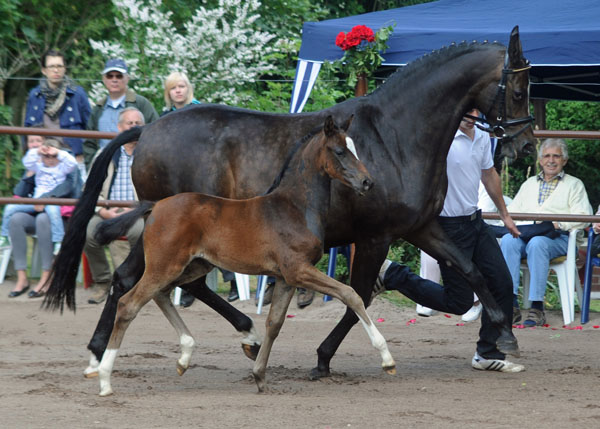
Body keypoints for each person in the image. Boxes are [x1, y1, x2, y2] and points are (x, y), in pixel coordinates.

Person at [378, 109, 525, 372]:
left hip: (475, 223)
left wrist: (505, 215)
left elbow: (488, 174)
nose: (472, 115)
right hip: (447, 227)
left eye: (475, 110)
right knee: (459, 302)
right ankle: (394, 276)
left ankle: (486, 353)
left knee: (502, 283)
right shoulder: (440, 137)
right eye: (466, 110)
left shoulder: (481, 135)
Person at [500, 138, 592, 327]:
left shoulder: (575, 185)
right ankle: (510, 303)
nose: (551, 160)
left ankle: (537, 306)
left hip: (559, 238)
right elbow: (514, 212)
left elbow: (584, 216)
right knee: (509, 241)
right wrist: (520, 226)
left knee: (538, 243)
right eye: (547, 156)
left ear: (564, 161)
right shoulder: (529, 184)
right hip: (528, 234)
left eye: (556, 156)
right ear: (540, 160)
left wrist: (558, 224)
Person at [84, 107, 145, 304]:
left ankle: (135, 285)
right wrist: (101, 210)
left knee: (140, 233)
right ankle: (103, 283)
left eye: (138, 124)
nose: (134, 127)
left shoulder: (150, 153)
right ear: (120, 128)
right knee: (87, 232)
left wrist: (135, 209)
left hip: (137, 212)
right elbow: (89, 188)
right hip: (106, 209)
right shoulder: (105, 153)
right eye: (130, 123)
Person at [6, 138, 79, 298]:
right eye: (32, 141)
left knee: (43, 220)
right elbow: (20, 190)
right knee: (16, 219)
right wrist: (32, 168)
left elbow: (70, 183)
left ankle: (47, 277)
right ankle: (22, 277)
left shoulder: (64, 165)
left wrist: (46, 198)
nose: (49, 159)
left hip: (58, 216)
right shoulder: (37, 164)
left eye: (52, 155)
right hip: (35, 209)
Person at [24, 49, 90, 179]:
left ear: (65, 68)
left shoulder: (78, 94)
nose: (56, 70)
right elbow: (27, 131)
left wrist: (84, 156)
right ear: (44, 70)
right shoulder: (35, 95)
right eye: (52, 66)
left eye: (59, 66)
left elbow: (90, 127)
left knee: (76, 198)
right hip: (43, 160)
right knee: (40, 198)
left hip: (72, 158)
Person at [83, 58, 158, 167]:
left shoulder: (141, 104)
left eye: (119, 76)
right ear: (104, 79)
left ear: (127, 79)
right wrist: (93, 165)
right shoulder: (98, 109)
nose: (114, 80)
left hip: (135, 164)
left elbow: (155, 133)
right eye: (110, 76)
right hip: (105, 166)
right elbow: (89, 143)